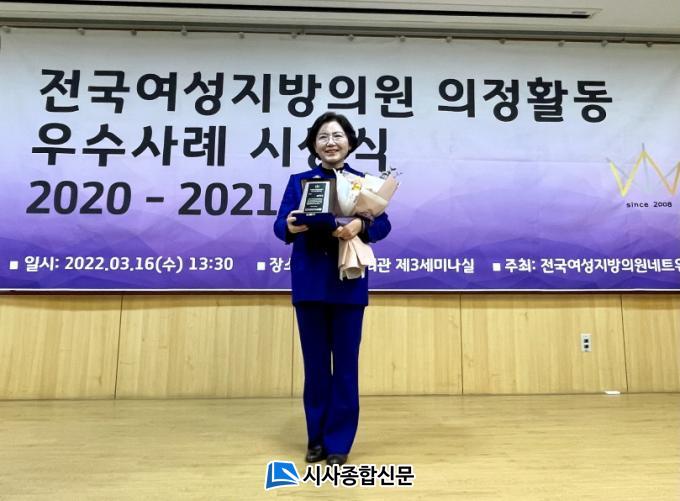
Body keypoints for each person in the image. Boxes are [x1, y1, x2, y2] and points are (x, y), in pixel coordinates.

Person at [273, 112, 391, 466]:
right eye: (323, 136)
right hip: (309, 282)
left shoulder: (363, 183)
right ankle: (316, 439)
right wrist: (292, 226)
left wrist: (361, 226)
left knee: (346, 367)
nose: (330, 142)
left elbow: (383, 224)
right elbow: (280, 226)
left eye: (337, 136)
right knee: (315, 367)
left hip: (348, 282)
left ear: (350, 143)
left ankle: (339, 443)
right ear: (314, 145)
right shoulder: (299, 182)